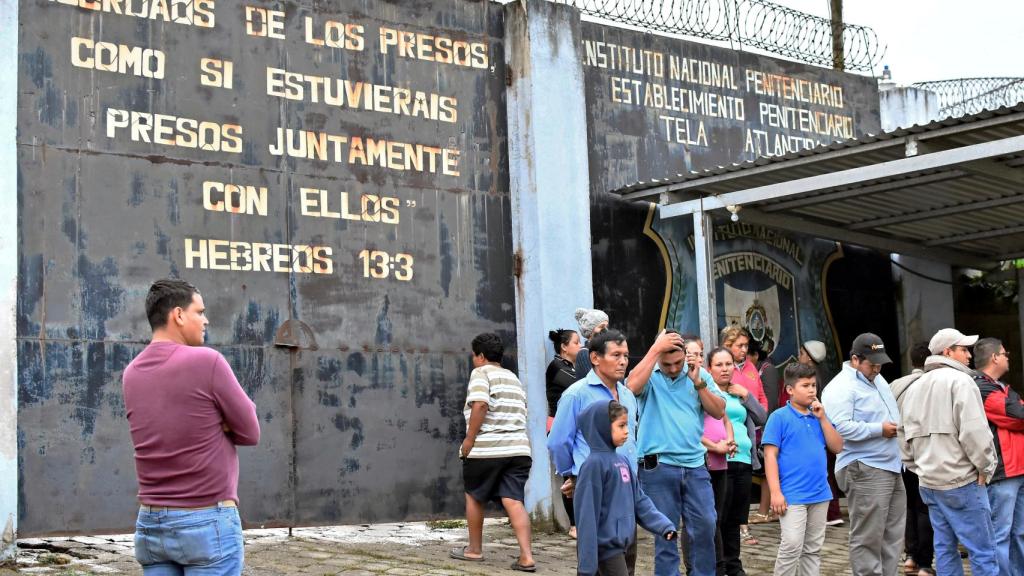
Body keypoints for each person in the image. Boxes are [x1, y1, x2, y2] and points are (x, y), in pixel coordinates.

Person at [123, 279, 261, 575]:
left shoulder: (131, 373)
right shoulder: (207, 361)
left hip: (151, 524)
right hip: (206, 523)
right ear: (179, 315)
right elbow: (250, 431)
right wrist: (220, 422)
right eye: (200, 311)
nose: (205, 319)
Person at [896, 328, 998, 576]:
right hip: (961, 480)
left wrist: (918, 468)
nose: (969, 355)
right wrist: (985, 467)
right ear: (947, 352)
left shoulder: (916, 385)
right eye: (963, 349)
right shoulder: (962, 381)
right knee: (983, 551)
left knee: (944, 548)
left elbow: (902, 434)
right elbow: (975, 433)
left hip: (929, 482)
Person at [625, 331, 726, 576]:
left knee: (706, 525)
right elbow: (630, 387)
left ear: (686, 356)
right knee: (665, 532)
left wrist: (698, 383)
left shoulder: (699, 375)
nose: (672, 368)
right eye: (666, 363)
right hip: (657, 466)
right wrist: (654, 350)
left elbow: (718, 410)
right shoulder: (650, 375)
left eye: (677, 363)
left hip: (695, 466)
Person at [548, 329, 640, 573]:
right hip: (595, 485)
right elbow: (558, 441)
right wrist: (571, 475)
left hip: (625, 485)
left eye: (626, 355)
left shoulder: (628, 395)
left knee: (627, 559)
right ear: (596, 358)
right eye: (616, 355)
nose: (622, 361)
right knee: (600, 559)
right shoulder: (576, 394)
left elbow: (631, 441)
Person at [821, 332, 905, 576]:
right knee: (868, 536)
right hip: (865, 466)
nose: (877, 368)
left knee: (893, 533)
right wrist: (879, 429)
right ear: (855, 359)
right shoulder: (840, 387)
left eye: (880, 363)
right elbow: (839, 427)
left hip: (891, 464)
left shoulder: (876, 380)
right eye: (872, 364)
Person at [451, 333, 535, 572]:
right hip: (519, 449)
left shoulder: (481, 373)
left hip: (487, 448)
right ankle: (527, 557)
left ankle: (474, 550)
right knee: (514, 499)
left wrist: (469, 439)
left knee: (475, 496)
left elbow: (480, 404)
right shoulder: (513, 378)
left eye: (474, 355)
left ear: (481, 356)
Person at [574, 400, 678, 576]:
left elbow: (640, 501)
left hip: (627, 545)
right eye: (621, 425)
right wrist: (586, 566)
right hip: (606, 550)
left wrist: (663, 525)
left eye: (627, 425)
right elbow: (586, 517)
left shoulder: (622, 462)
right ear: (603, 428)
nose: (627, 431)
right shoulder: (593, 465)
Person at [763, 362, 844, 576]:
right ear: (790, 390)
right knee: (791, 546)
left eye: (813, 386)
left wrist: (823, 418)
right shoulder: (778, 417)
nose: (811, 390)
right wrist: (776, 492)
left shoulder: (819, 417)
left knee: (813, 549)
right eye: (805, 385)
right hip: (792, 495)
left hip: (820, 493)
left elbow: (837, 446)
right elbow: (770, 456)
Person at [708, 347, 767, 575]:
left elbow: (762, 417)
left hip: (743, 461)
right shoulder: (708, 393)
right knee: (720, 518)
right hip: (720, 462)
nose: (725, 369)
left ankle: (734, 565)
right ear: (709, 368)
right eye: (719, 365)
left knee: (736, 518)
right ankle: (719, 565)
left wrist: (746, 395)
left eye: (728, 364)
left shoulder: (738, 392)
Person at [973, 337, 1024, 576]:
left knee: (1020, 532)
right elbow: (1018, 415)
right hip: (1003, 472)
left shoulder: (1003, 387)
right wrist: (1014, 404)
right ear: (994, 357)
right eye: (1004, 353)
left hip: (1018, 470)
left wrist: (1014, 402)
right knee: (1000, 534)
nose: (1007, 357)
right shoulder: (981, 386)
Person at [720, 326, 768, 544]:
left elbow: (761, 403)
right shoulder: (715, 371)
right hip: (721, 448)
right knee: (724, 503)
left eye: (746, 345)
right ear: (726, 346)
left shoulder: (751, 369)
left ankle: (743, 527)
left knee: (741, 496)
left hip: (746, 439)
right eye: (739, 345)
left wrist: (746, 395)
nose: (744, 350)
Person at [890, 342, 935, 576]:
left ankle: (909, 557)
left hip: (900, 454)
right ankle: (925, 563)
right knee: (925, 508)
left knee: (908, 506)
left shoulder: (896, 384)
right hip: (925, 455)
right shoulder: (932, 384)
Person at [796, 339, 843, 527]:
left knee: (823, 471)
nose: (799, 356)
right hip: (827, 428)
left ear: (808, 356)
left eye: (801, 352)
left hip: (819, 428)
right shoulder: (826, 375)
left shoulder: (811, 379)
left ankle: (831, 512)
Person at [547, 328, 582, 538]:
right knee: (568, 475)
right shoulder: (556, 367)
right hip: (559, 426)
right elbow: (580, 382)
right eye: (577, 343)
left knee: (577, 474)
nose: (581, 346)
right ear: (564, 347)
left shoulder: (572, 367)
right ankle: (573, 525)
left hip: (575, 426)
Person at [701, 387, 738, 575]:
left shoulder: (714, 392)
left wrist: (730, 440)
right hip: (702, 463)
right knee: (704, 519)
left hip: (721, 464)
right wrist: (715, 446)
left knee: (718, 518)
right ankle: (711, 566)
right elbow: (690, 431)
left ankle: (719, 567)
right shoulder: (693, 391)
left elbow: (725, 419)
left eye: (700, 354)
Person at [574, 308, 609, 377]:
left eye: (606, 327)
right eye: (601, 327)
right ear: (590, 330)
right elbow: (595, 380)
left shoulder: (603, 351)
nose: (605, 330)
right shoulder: (584, 353)